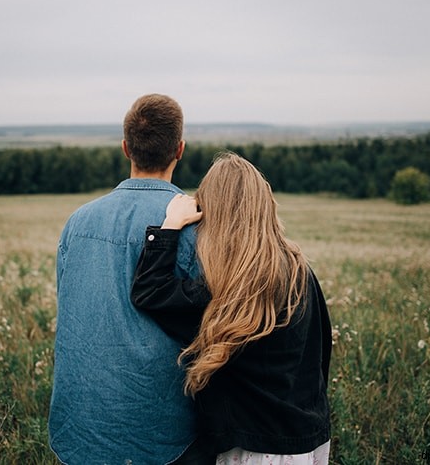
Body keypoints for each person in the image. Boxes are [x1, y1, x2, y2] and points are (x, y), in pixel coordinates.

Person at [131, 152, 332, 464]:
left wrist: (170, 227)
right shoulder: (298, 268)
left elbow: (149, 291)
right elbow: (321, 353)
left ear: (211, 214)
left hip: (255, 446)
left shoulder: (226, 288)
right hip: (308, 438)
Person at [49, 94, 213, 464]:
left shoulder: (77, 223)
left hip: (80, 428)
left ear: (126, 148)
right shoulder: (197, 226)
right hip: (167, 435)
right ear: (180, 150)